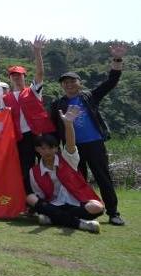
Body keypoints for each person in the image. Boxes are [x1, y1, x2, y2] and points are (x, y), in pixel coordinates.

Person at [49, 44, 127, 226]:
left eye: (72, 81)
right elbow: (54, 128)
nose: (69, 84)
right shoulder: (57, 104)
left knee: (103, 177)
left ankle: (113, 213)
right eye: (65, 82)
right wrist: (54, 149)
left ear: (80, 83)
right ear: (62, 86)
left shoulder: (89, 97)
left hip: (95, 144)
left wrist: (117, 59)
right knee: (79, 180)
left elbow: (111, 82)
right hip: (72, 148)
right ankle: (84, 211)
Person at [26, 106, 105, 234]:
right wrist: (41, 207)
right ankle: (81, 224)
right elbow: (40, 196)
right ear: (37, 150)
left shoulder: (67, 160)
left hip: (76, 202)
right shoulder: (34, 172)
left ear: (56, 149)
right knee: (31, 198)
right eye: (43, 148)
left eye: (51, 148)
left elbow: (70, 145)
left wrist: (68, 124)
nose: (47, 152)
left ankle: (53, 219)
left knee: (97, 207)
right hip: (54, 204)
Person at [3, 36, 55, 195]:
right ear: (10, 78)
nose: (16, 77)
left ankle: (54, 194)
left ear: (24, 76)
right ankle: (31, 199)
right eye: (13, 75)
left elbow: (40, 73)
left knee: (49, 164)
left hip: (39, 134)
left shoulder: (33, 91)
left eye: (19, 75)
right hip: (21, 138)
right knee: (26, 168)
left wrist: (37, 52)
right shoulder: (5, 99)